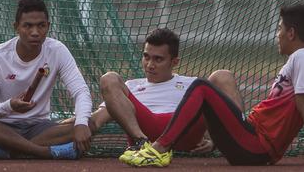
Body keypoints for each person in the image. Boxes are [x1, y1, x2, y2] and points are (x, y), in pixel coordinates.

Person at [124, 5, 304, 168]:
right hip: (251, 137)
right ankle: (171, 145)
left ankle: (158, 149)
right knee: (216, 80)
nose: (278, 35)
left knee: (201, 88)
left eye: (279, 29)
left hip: (256, 145)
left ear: (291, 33)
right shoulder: (302, 58)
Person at [0, 0, 93, 160]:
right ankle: (44, 152)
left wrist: (81, 123)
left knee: (90, 124)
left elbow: (81, 91)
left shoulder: (57, 50)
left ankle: (9, 151)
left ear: (48, 26)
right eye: (28, 26)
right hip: (1, 127)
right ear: (16, 27)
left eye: (41, 26)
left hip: (39, 127)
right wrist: (9, 106)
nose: (35, 32)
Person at [85, 28, 211, 161]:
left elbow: (215, 111)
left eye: (158, 59)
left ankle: (232, 140)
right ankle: (141, 143)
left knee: (222, 77)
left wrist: (215, 141)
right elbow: (96, 120)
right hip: (147, 133)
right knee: (109, 78)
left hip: (184, 134)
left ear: (174, 62)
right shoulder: (130, 87)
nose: (150, 65)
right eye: (146, 57)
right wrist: (72, 128)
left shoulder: (193, 84)